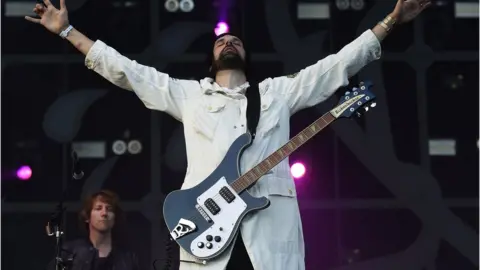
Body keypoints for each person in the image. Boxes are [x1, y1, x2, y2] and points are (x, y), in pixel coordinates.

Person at [28, 0, 431, 269]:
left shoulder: (275, 92)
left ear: (245, 54)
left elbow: (335, 66)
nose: (229, 42)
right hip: (204, 228)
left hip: (268, 232)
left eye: (235, 40)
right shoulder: (190, 95)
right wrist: (68, 32)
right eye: (222, 41)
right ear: (212, 58)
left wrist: (391, 21)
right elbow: (127, 71)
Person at [47, 190, 141, 270]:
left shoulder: (128, 258)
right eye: (98, 208)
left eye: (109, 209)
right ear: (87, 217)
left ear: (115, 218)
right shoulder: (69, 253)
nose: (104, 213)